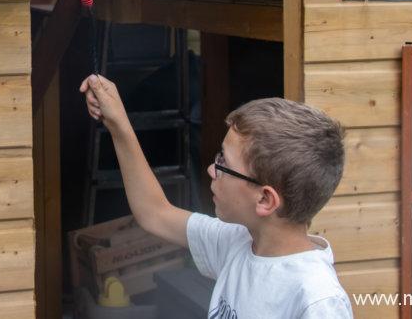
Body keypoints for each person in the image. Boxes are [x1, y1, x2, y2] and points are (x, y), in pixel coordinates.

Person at [79, 73, 353, 318]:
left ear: (265, 200)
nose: (212, 169)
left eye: (225, 163)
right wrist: (118, 123)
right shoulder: (239, 242)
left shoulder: (318, 300)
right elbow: (155, 213)